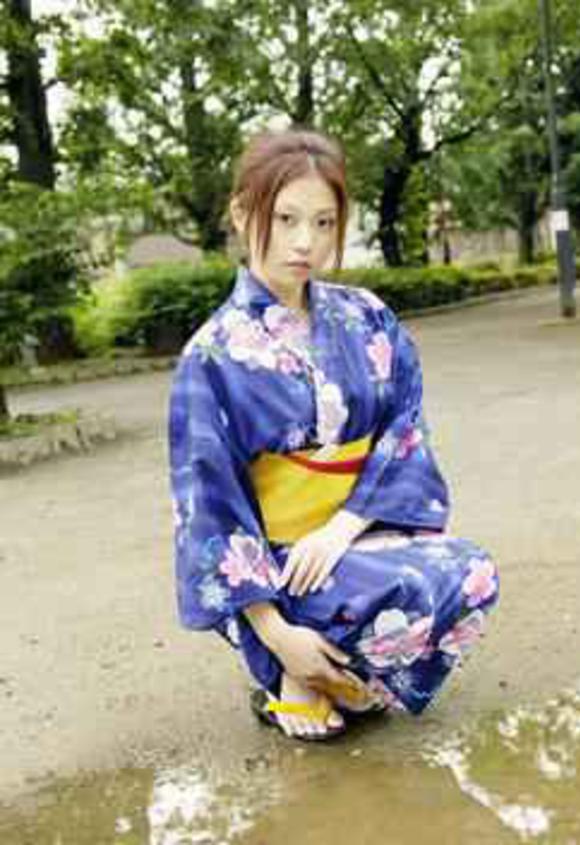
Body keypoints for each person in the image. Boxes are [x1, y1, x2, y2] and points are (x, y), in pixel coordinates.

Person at [168, 127, 499, 741]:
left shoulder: (365, 315)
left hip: (352, 532)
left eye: (324, 223)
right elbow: (210, 508)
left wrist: (342, 527)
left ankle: (339, 679)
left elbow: (404, 427)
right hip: (281, 566)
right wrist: (277, 634)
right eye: (286, 219)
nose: (306, 242)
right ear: (242, 214)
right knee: (367, 601)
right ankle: (292, 668)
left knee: (468, 573)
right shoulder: (211, 356)